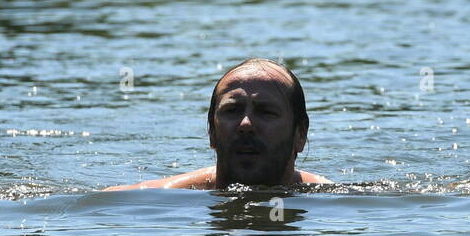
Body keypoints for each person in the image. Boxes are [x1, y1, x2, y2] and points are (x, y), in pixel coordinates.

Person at [105, 58, 331, 190]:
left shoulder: (334, 196)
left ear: (300, 134)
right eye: (232, 111)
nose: (245, 124)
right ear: (211, 131)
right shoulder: (157, 196)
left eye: (266, 111)